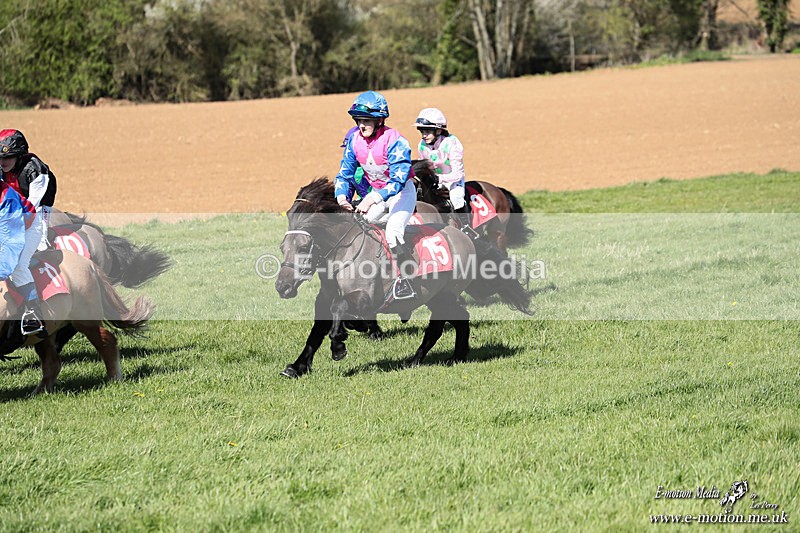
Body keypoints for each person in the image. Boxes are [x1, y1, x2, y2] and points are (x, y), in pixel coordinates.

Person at [334, 91, 417, 300]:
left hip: (403, 193)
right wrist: (342, 198)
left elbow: (398, 181)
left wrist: (371, 198)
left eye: (367, 121)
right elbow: (344, 174)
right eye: (359, 120)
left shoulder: (396, 140)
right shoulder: (354, 141)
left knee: (393, 231)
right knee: (364, 223)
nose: (362, 125)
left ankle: (406, 281)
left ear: (380, 120)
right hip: (380, 197)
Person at [414, 108, 476, 237]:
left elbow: (458, 174)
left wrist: (439, 179)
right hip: (434, 180)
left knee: (457, 198)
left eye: (427, 131)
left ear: (438, 130)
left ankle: (466, 228)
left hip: (454, 181)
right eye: (422, 131)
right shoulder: (422, 145)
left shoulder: (452, 143)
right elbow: (423, 166)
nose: (424, 135)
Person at [0, 178, 46, 337]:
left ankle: (34, 314)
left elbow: (10, 241)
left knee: (18, 265)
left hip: (27, 228)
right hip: (6, 227)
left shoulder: (7, 198)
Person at [0, 129, 57, 251]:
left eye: (8, 157)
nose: (3, 162)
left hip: (40, 200)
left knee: (38, 239)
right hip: (17, 194)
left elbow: (33, 206)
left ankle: (44, 245)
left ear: (20, 155)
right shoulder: (2, 167)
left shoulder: (34, 170)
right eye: (0, 158)